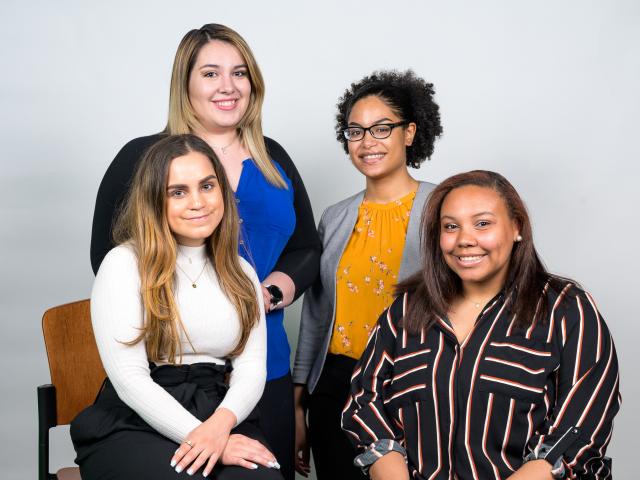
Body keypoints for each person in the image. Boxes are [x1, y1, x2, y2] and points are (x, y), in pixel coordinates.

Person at [89, 24, 320, 480]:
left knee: (262, 469)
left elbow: (307, 247)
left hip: (260, 355)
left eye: (239, 73)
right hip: (165, 362)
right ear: (186, 84)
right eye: (211, 74)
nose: (228, 87)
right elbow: (109, 259)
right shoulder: (142, 159)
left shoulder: (273, 158)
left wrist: (261, 293)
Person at [342, 170, 621, 480]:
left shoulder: (565, 309)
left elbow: (579, 431)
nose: (465, 240)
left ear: (517, 227)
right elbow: (365, 401)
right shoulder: (406, 311)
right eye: (451, 227)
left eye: (483, 224)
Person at [71, 134, 283, 479]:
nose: (198, 202)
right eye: (178, 191)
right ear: (155, 200)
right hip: (137, 415)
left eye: (207, 186)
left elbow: (251, 369)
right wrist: (209, 441)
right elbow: (129, 379)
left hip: (218, 409)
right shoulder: (124, 263)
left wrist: (220, 428)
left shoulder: (241, 271)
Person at [292, 70, 443, 478]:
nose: (367, 142)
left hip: (415, 384)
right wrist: (299, 401)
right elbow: (316, 314)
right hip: (337, 387)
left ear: (409, 133)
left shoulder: (442, 208)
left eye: (381, 128)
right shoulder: (335, 217)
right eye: (355, 131)